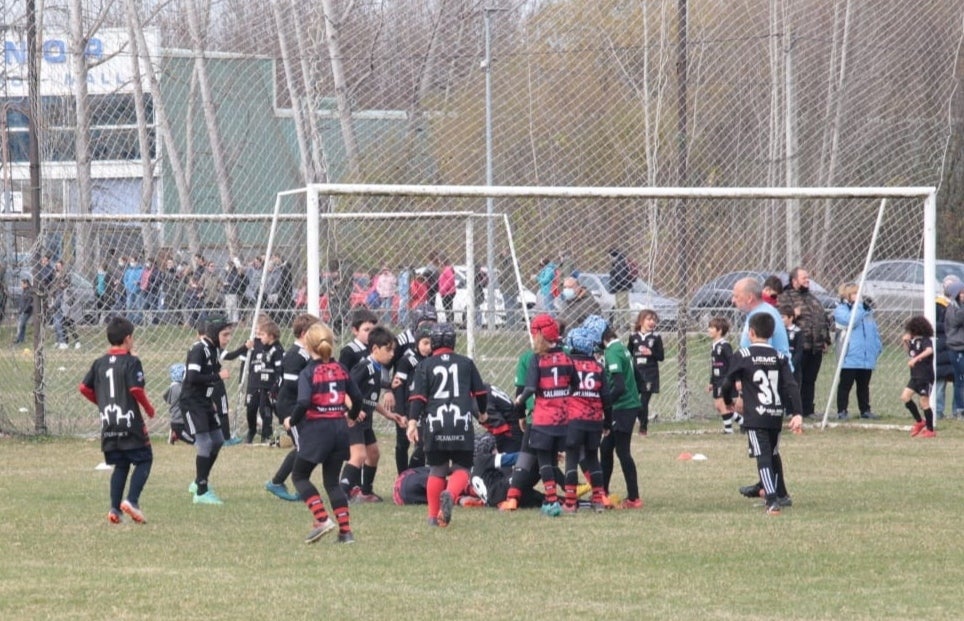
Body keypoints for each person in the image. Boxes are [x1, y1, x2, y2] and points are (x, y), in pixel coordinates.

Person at [284, 323, 362, 544]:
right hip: (339, 429)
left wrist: (292, 420)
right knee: (332, 482)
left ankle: (322, 519)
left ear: (308, 346)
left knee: (299, 475)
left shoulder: (308, 372)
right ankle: (346, 533)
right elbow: (356, 398)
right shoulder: (341, 369)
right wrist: (353, 415)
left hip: (318, 430)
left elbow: (303, 401)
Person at [722, 312, 803, 515]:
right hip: (775, 413)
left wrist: (727, 400)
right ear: (772, 333)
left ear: (750, 332)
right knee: (773, 454)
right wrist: (797, 413)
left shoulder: (743, 355)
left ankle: (772, 499)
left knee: (763, 457)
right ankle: (778, 494)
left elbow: (726, 382)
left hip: (755, 415)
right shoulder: (780, 356)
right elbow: (791, 385)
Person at [407, 322, 488, 527]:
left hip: (435, 424)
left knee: (437, 469)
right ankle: (450, 495)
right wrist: (483, 413)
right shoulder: (466, 363)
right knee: (462, 467)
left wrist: (412, 422)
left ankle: (433, 517)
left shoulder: (424, 365)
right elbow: (480, 392)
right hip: (460, 422)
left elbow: (418, 398)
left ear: (433, 343)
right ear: (453, 341)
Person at [78, 316, 156, 524]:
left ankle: (115, 509)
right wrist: (149, 409)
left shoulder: (99, 363)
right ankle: (131, 501)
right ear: (128, 338)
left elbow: (84, 388)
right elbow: (136, 389)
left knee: (121, 465)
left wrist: (101, 403)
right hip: (129, 421)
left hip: (109, 422)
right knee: (145, 459)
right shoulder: (132, 362)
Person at [513, 314, 573, 517]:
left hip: (543, 419)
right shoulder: (567, 357)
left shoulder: (537, 359)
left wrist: (519, 401)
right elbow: (575, 385)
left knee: (545, 460)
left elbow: (530, 387)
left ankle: (551, 501)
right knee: (560, 458)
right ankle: (570, 498)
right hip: (563, 420)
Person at [343, 325, 403, 502]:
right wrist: (354, 409)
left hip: (365, 419)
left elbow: (370, 399)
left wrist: (388, 415)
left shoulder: (377, 369)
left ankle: (365, 491)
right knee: (359, 456)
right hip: (353, 418)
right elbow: (344, 389)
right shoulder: (365, 367)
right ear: (375, 349)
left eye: (394, 350)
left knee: (374, 453)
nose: (392, 354)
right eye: (388, 349)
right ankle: (342, 492)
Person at [265, 313, 320, 502]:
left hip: (301, 406)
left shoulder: (307, 354)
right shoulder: (294, 356)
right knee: (303, 446)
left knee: (308, 445)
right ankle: (278, 482)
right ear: (305, 333)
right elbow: (291, 385)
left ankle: (297, 483)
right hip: (290, 408)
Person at [181, 315, 234, 505]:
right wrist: (217, 376)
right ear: (213, 333)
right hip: (192, 403)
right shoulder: (199, 349)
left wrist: (210, 399)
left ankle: (198, 482)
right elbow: (193, 377)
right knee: (204, 443)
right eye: (225, 334)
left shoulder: (212, 350)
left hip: (204, 402)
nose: (228, 339)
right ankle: (201, 492)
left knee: (218, 440)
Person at [562, 322, 611, 513]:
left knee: (572, 458)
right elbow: (606, 398)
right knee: (592, 457)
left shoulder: (568, 364)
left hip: (573, 418)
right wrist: (607, 422)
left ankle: (570, 501)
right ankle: (598, 499)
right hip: (594, 420)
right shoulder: (598, 367)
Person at [776, 267, 832, 419]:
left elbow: (823, 319)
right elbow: (781, 318)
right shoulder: (786, 297)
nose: (807, 280)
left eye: (808, 277)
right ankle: (793, 410)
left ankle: (808, 409)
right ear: (794, 281)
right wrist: (794, 313)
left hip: (815, 347)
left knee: (810, 380)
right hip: (798, 346)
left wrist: (825, 339)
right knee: (794, 379)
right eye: (803, 278)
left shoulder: (812, 298)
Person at [600, 319, 643, 509]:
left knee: (622, 451)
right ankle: (602, 492)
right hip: (628, 406)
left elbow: (618, 385)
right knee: (606, 447)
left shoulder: (612, 352)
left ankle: (634, 497)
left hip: (622, 408)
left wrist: (604, 403)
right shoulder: (621, 348)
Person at [833, 283, 882, 421]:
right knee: (845, 385)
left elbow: (874, 331)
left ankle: (865, 410)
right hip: (850, 355)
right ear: (847, 296)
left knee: (863, 386)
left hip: (866, 356)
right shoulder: (841, 310)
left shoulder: (867, 312)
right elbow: (850, 321)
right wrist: (859, 307)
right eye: (854, 293)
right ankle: (842, 410)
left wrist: (877, 346)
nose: (858, 296)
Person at [391, 323, 433, 473]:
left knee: (422, 444)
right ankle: (402, 477)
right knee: (402, 444)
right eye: (425, 343)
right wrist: (401, 413)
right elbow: (398, 387)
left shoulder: (433, 360)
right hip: (407, 408)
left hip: (423, 409)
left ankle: (412, 475)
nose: (429, 347)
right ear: (417, 343)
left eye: (431, 343)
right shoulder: (406, 360)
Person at [241, 318, 284, 444]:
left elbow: (279, 369)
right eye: (257, 332)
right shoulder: (252, 343)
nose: (258, 335)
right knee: (250, 408)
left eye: (261, 333)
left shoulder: (276, 349)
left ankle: (266, 434)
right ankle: (252, 430)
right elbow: (245, 362)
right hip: (254, 383)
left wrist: (276, 385)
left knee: (265, 410)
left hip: (267, 385)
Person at [731, 277, 790, 359]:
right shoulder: (759, 311)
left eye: (736, 296)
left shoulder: (762, 317)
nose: (733, 300)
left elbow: (762, 355)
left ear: (749, 298)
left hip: (771, 370)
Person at [628, 309, 663, 436]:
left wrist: (651, 353)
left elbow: (661, 356)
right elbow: (629, 354)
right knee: (632, 401)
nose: (651, 322)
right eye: (649, 319)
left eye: (653, 319)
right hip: (636, 374)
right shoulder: (633, 337)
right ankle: (637, 421)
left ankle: (643, 428)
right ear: (641, 321)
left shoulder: (656, 337)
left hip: (650, 374)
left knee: (643, 402)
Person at [902, 316, 936, 438]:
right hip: (915, 376)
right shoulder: (913, 341)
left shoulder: (925, 340)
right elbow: (909, 352)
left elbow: (929, 351)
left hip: (925, 376)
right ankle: (920, 422)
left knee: (924, 402)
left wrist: (916, 359)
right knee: (905, 397)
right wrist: (905, 342)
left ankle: (930, 430)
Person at [707, 316, 741, 434]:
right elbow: (714, 365)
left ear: (719, 331)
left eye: (712, 328)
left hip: (725, 379)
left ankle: (728, 430)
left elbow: (732, 363)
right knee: (718, 405)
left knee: (721, 404)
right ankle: (742, 422)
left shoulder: (725, 345)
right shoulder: (714, 346)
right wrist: (711, 382)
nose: (709, 330)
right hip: (717, 380)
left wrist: (736, 379)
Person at [934, 277, 958, 419]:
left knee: (958, 381)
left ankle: (958, 410)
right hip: (942, 347)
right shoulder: (937, 304)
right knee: (940, 381)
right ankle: (937, 411)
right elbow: (933, 325)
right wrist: (950, 326)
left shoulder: (958, 305)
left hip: (957, 347)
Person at [943, 281, 964, 421]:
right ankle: (960, 409)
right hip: (956, 348)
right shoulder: (952, 309)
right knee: (960, 379)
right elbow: (957, 320)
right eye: (962, 293)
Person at [164, 363, 194, 445]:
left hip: (184, 422)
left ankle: (174, 434)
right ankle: (176, 433)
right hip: (179, 423)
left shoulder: (173, 386)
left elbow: (165, 397)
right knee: (194, 441)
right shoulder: (177, 388)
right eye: (185, 374)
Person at [607, 249, 634, 328]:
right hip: (618, 289)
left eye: (610, 257)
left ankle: (627, 324)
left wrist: (617, 285)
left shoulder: (620, 264)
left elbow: (621, 277)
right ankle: (618, 324)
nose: (609, 259)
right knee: (618, 306)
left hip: (621, 289)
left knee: (623, 306)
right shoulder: (617, 263)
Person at [780, 305, 803, 387]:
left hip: (793, 367)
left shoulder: (797, 332)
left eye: (783, 317)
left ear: (791, 318)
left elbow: (799, 351)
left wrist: (792, 364)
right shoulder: (780, 331)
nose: (781, 319)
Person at [13, 278, 33, 344]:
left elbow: (29, 302)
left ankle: (19, 339)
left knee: (21, 325)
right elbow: (22, 302)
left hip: (27, 311)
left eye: (22, 284)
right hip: (22, 311)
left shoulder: (29, 291)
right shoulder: (24, 291)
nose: (21, 285)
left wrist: (24, 310)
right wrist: (20, 311)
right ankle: (21, 340)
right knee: (22, 325)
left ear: (26, 284)